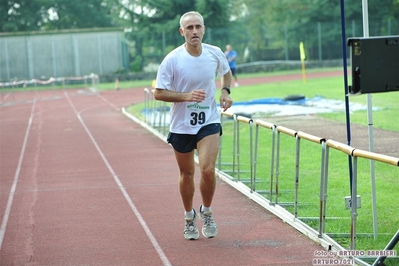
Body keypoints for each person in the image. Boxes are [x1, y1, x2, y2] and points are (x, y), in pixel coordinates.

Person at [153, 11, 233, 240]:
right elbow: (158, 93)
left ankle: (206, 211)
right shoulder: (172, 60)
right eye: (189, 28)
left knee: (207, 170)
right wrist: (186, 96)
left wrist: (226, 91)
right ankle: (189, 216)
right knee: (187, 174)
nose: (194, 31)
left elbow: (226, 74)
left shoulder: (214, 53)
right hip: (181, 125)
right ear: (182, 32)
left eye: (198, 27)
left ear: (204, 29)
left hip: (209, 120)